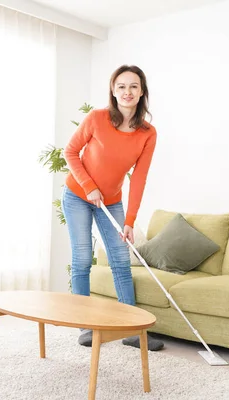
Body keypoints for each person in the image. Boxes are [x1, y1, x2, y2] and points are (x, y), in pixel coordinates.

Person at [61, 65, 164, 351]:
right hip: (77, 195)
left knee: (120, 260)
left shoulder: (147, 133)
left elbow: (139, 178)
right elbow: (69, 152)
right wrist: (88, 185)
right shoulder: (96, 118)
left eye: (133, 86)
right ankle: (83, 326)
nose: (127, 92)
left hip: (112, 201)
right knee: (82, 258)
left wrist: (130, 220)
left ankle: (131, 330)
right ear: (113, 90)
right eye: (121, 86)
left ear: (142, 91)